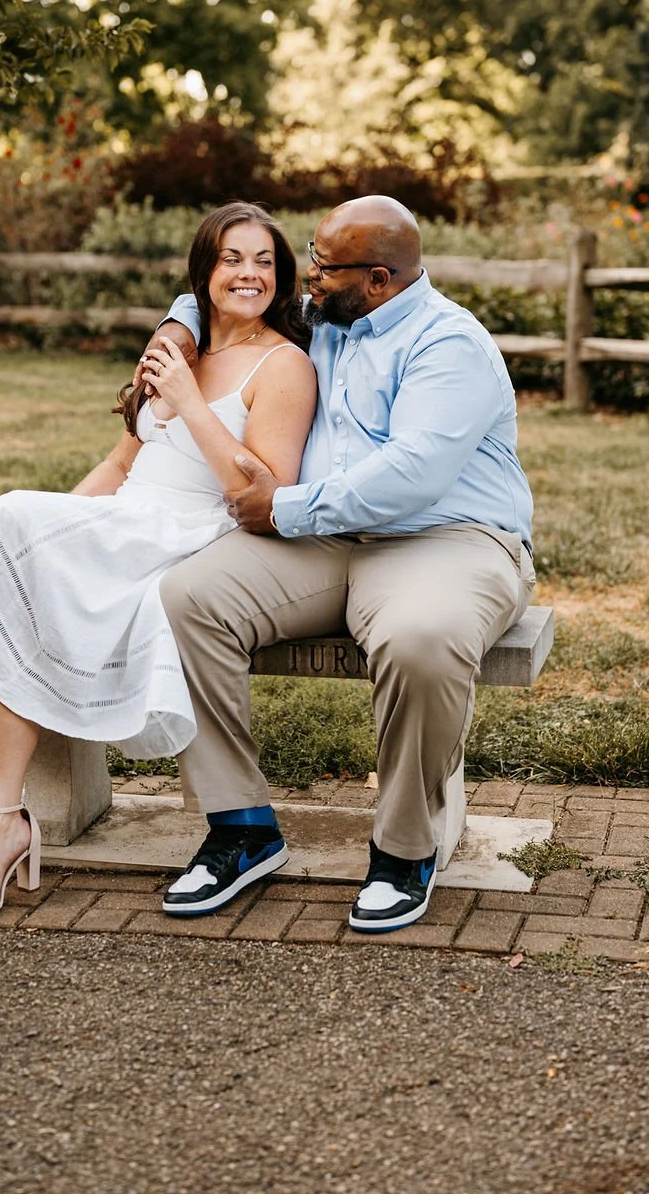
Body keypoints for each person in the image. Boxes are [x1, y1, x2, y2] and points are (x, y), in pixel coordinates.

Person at [0, 202, 317, 924]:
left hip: (191, 534)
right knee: (13, 567)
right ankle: (0, 826)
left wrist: (191, 403)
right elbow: (120, 460)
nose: (249, 273)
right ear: (203, 272)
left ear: (282, 277)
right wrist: (57, 532)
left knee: (11, 520)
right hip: (126, 520)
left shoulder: (282, 365)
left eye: (265, 261)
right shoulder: (178, 348)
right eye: (232, 258)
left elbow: (261, 491)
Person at [149, 195, 535, 931]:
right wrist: (179, 317)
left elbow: (411, 474)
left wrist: (284, 511)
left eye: (323, 265)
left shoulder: (449, 344)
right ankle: (241, 828)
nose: (310, 276)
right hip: (329, 543)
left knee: (422, 638)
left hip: (447, 538)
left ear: (381, 279)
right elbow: (229, 291)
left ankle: (403, 851)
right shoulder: (328, 316)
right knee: (188, 596)